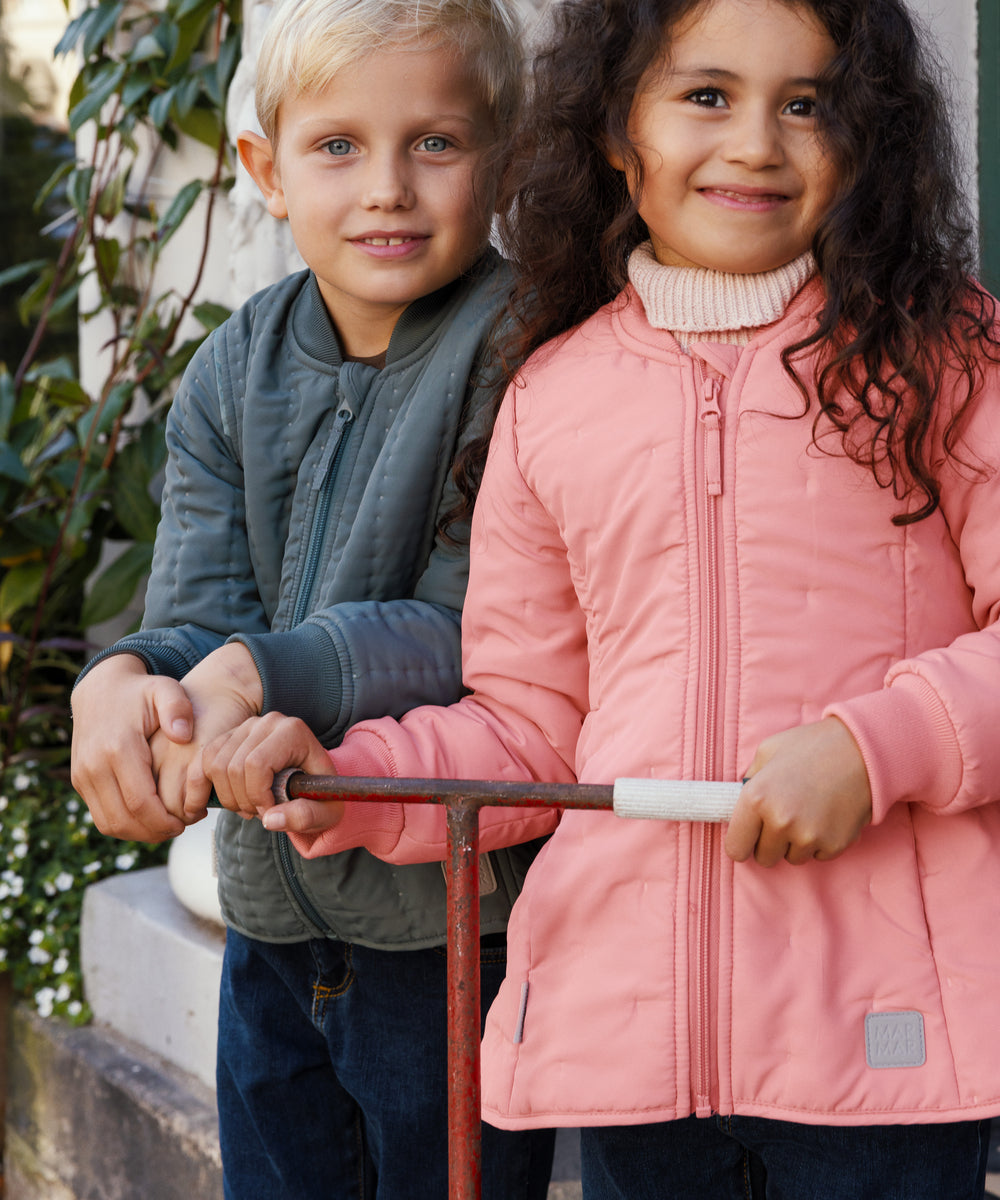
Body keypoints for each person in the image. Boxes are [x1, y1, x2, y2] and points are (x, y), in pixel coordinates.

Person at [202, 0, 1000, 1196]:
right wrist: (354, 781)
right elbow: (528, 723)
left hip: (886, 1038)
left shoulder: (945, 357)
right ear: (619, 131)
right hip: (630, 1042)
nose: (755, 145)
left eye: (807, 103)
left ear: (868, 135)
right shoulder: (555, 395)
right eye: (706, 96)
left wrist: (869, 749)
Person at [69, 0, 558, 1196]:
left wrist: (259, 672)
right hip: (270, 924)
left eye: (434, 143)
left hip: (449, 933)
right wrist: (123, 680)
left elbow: (473, 636)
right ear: (265, 169)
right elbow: (198, 614)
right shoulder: (231, 369)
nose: (386, 186)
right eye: (337, 145)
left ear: (501, 158)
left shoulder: (528, 355)